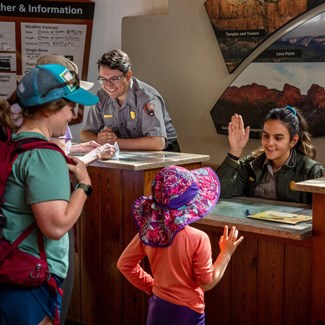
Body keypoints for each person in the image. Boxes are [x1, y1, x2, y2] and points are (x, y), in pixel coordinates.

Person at [0, 63, 106, 324]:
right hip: (32, 279)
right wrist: (83, 185)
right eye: (70, 107)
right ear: (50, 108)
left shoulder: (15, 143)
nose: (73, 115)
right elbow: (56, 225)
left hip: (10, 268)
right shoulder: (45, 156)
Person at [117, 165, 243, 324]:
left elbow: (124, 264)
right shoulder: (198, 238)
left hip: (157, 310)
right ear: (192, 205)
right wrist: (226, 253)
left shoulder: (149, 233)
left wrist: (152, 287)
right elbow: (206, 282)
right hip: (188, 313)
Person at [216, 106, 325, 204]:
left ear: (293, 140)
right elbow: (220, 193)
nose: (269, 143)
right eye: (266, 136)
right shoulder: (251, 165)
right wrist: (235, 149)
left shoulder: (312, 172)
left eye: (278, 138)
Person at [80, 49, 181, 152]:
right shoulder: (101, 97)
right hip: (127, 152)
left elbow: (157, 143)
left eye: (114, 79)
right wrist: (99, 139)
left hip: (165, 154)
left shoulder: (147, 98)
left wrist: (114, 143)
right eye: (103, 79)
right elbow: (85, 133)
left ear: (128, 76)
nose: (108, 84)